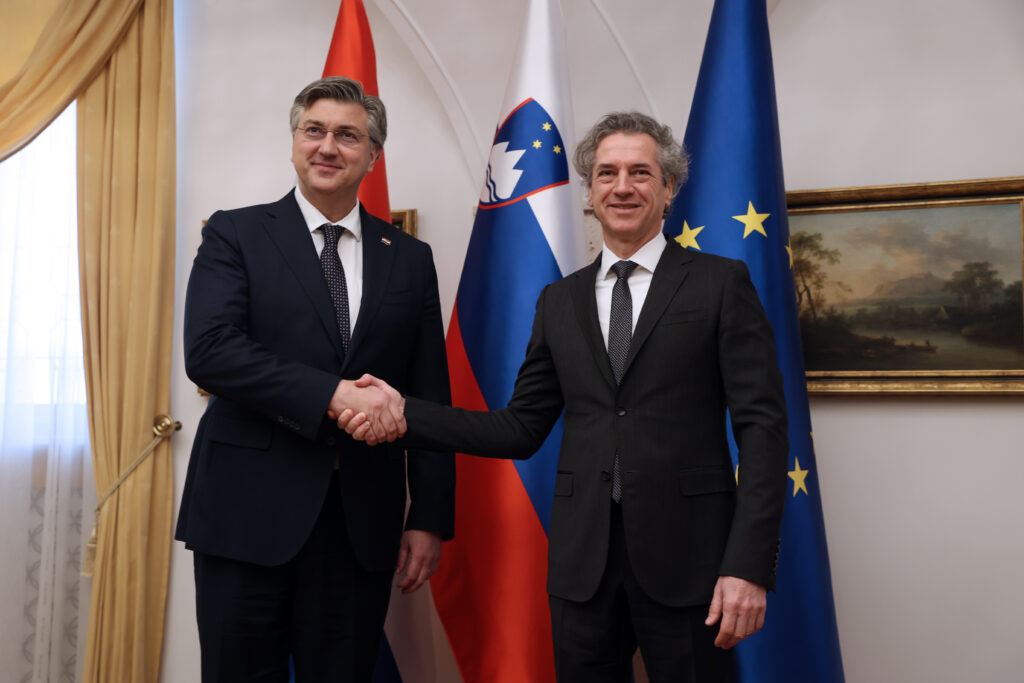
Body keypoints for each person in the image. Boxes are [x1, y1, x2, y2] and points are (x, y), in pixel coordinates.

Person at [340, 112, 789, 683]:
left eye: (640, 173)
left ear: (669, 187)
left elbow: (763, 431)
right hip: (582, 567)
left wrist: (748, 565)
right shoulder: (559, 300)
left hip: (693, 562)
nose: (622, 187)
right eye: (606, 173)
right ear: (590, 190)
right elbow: (519, 428)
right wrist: (404, 413)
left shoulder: (720, 284)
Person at [176, 76, 453, 683]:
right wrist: (332, 394)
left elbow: (428, 391)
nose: (328, 146)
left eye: (347, 136)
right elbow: (211, 352)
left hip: (359, 522)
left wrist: (428, 515)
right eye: (314, 130)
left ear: (373, 155)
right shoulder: (235, 233)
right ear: (295, 142)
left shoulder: (409, 258)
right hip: (245, 514)